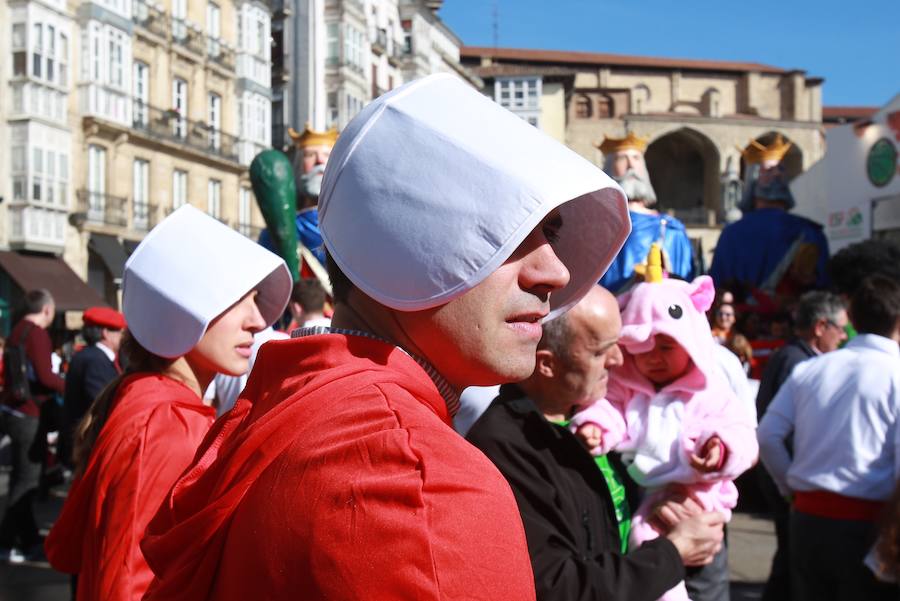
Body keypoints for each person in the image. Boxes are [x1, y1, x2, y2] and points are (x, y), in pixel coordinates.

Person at [139, 73, 632, 601]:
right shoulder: (414, 480)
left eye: (550, 233)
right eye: (507, 230)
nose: (554, 272)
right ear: (412, 238)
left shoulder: (298, 402)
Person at [44, 205, 291, 601]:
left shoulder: (141, 398)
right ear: (181, 310)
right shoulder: (167, 422)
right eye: (235, 300)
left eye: (257, 298)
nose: (258, 320)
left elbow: (68, 546)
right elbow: (130, 582)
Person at [468, 285, 726, 601]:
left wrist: (675, 506)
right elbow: (559, 586)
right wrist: (672, 553)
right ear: (547, 364)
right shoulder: (507, 445)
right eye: (601, 351)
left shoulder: (606, 414)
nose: (619, 360)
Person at [570, 274, 758, 601]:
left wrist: (721, 448)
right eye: (641, 349)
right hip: (646, 495)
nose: (654, 357)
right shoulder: (625, 386)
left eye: (667, 346)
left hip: (699, 493)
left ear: (692, 341)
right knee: (647, 544)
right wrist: (595, 426)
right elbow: (608, 408)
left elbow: (741, 433)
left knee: (656, 547)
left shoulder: (710, 388)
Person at [757, 275, 900, 601]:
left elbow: (767, 435)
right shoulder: (895, 373)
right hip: (870, 528)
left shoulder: (812, 369)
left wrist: (791, 489)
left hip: (809, 520)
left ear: (852, 318)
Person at [709, 135, 829, 297]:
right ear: (753, 179)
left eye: (781, 169)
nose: (777, 175)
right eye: (769, 170)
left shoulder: (809, 232)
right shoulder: (732, 235)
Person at [0, 289, 64, 562]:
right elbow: (47, 378)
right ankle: (9, 541)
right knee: (26, 482)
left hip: (13, 410)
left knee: (21, 479)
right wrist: (70, 387)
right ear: (47, 310)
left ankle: (26, 538)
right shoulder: (36, 334)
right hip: (29, 414)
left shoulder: (17, 331)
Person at [597, 132, 694, 292]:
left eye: (636, 158)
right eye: (622, 158)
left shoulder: (672, 228)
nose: (631, 165)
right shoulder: (596, 223)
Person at [59, 307, 126, 469]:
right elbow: (103, 402)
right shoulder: (96, 360)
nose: (122, 336)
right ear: (106, 333)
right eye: (118, 331)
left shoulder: (89, 356)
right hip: (89, 443)